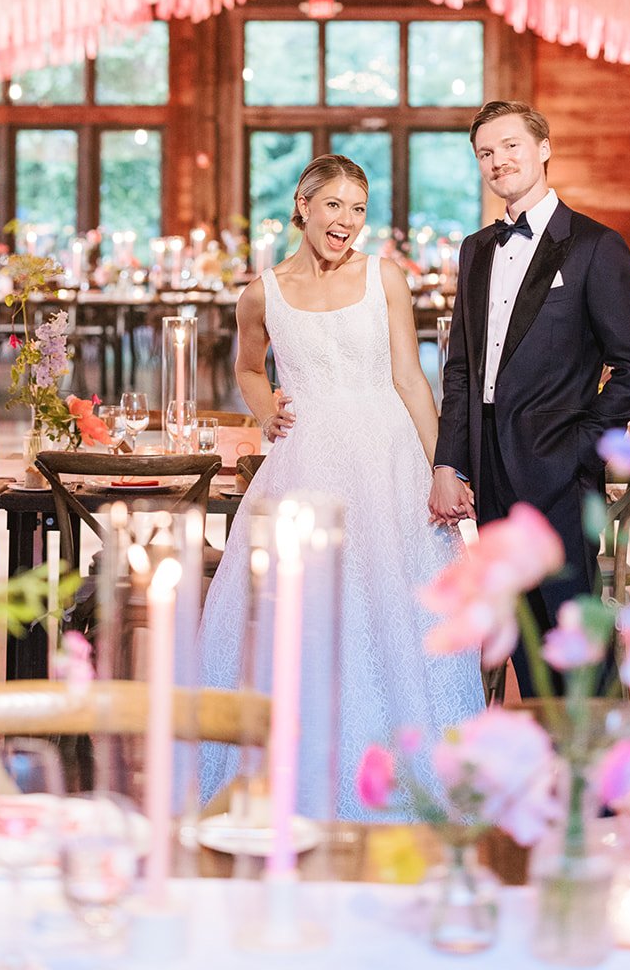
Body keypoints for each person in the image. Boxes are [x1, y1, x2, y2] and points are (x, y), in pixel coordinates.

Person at [200, 154, 480, 818]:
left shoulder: (382, 275)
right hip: (306, 466)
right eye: (333, 206)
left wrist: (443, 464)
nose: (346, 222)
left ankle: (407, 770)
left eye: (357, 209)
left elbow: (411, 378)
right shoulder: (260, 292)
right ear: (301, 205)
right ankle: (297, 776)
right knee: (308, 618)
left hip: (385, 461)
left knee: (396, 608)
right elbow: (245, 366)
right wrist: (264, 406)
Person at [428, 101, 630, 695]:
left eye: (510, 146)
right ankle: (543, 776)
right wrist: (448, 461)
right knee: (521, 631)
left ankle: (595, 782)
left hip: (559, 472)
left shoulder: (595, 246)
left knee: (571, 634)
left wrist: (578, 443)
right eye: (486, 152)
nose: (498, 161)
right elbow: (460, 369)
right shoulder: (476, 248)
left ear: (544, 148)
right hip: (487, 469)